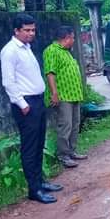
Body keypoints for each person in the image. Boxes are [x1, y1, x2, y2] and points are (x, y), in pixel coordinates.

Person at [1, 13, 63, 204]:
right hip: (26, 105)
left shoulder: (26, 48)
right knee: (29, 148)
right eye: (27, 30)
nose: (31, 33)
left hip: (37, 101)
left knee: (38, 145)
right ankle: (33, 190)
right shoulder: (10, 51)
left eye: (33, 30)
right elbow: (8, 81)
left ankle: (40, 182)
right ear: (16, 31)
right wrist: (22, 104)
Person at [43, 26, 87, 168]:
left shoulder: (66, 52)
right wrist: (54, 93)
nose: (74, 40)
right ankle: (63, 155)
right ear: (66, 37)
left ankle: (72, 151)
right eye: (73, 37)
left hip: (74, 94)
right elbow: (50, 73)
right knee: (65, 125)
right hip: (63, 96)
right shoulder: (52, 51)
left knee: (75, 124)